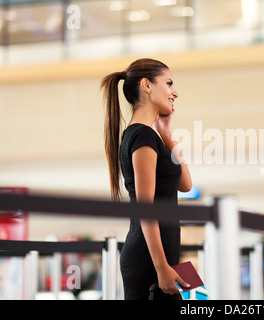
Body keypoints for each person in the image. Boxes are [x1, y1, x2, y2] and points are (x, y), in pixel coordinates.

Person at [101, 58, 192, 300]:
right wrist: (161, 267)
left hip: (162, 253)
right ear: (147, 85)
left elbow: (185, 185)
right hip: (149, 259)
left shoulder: (152, 136)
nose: (175, 92)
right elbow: (146, 208)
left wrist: (168, 135)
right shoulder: (141, 137)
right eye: (169, 83)